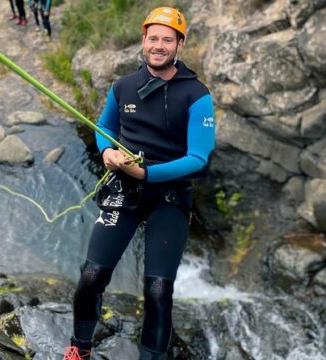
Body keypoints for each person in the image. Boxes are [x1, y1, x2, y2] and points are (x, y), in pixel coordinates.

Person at [63, 6, 215, 360]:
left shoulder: (197, 95)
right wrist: (106, 154)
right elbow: (105, 129)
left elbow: (199, 158)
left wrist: (147, 174)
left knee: (159, 290)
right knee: (91, 275)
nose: (158, 46)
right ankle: (79, 347)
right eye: (153, 38)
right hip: (125, 189)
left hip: (170, 195)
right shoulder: (124, 86)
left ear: (180, 44)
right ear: (143, 40)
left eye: (167, 39)